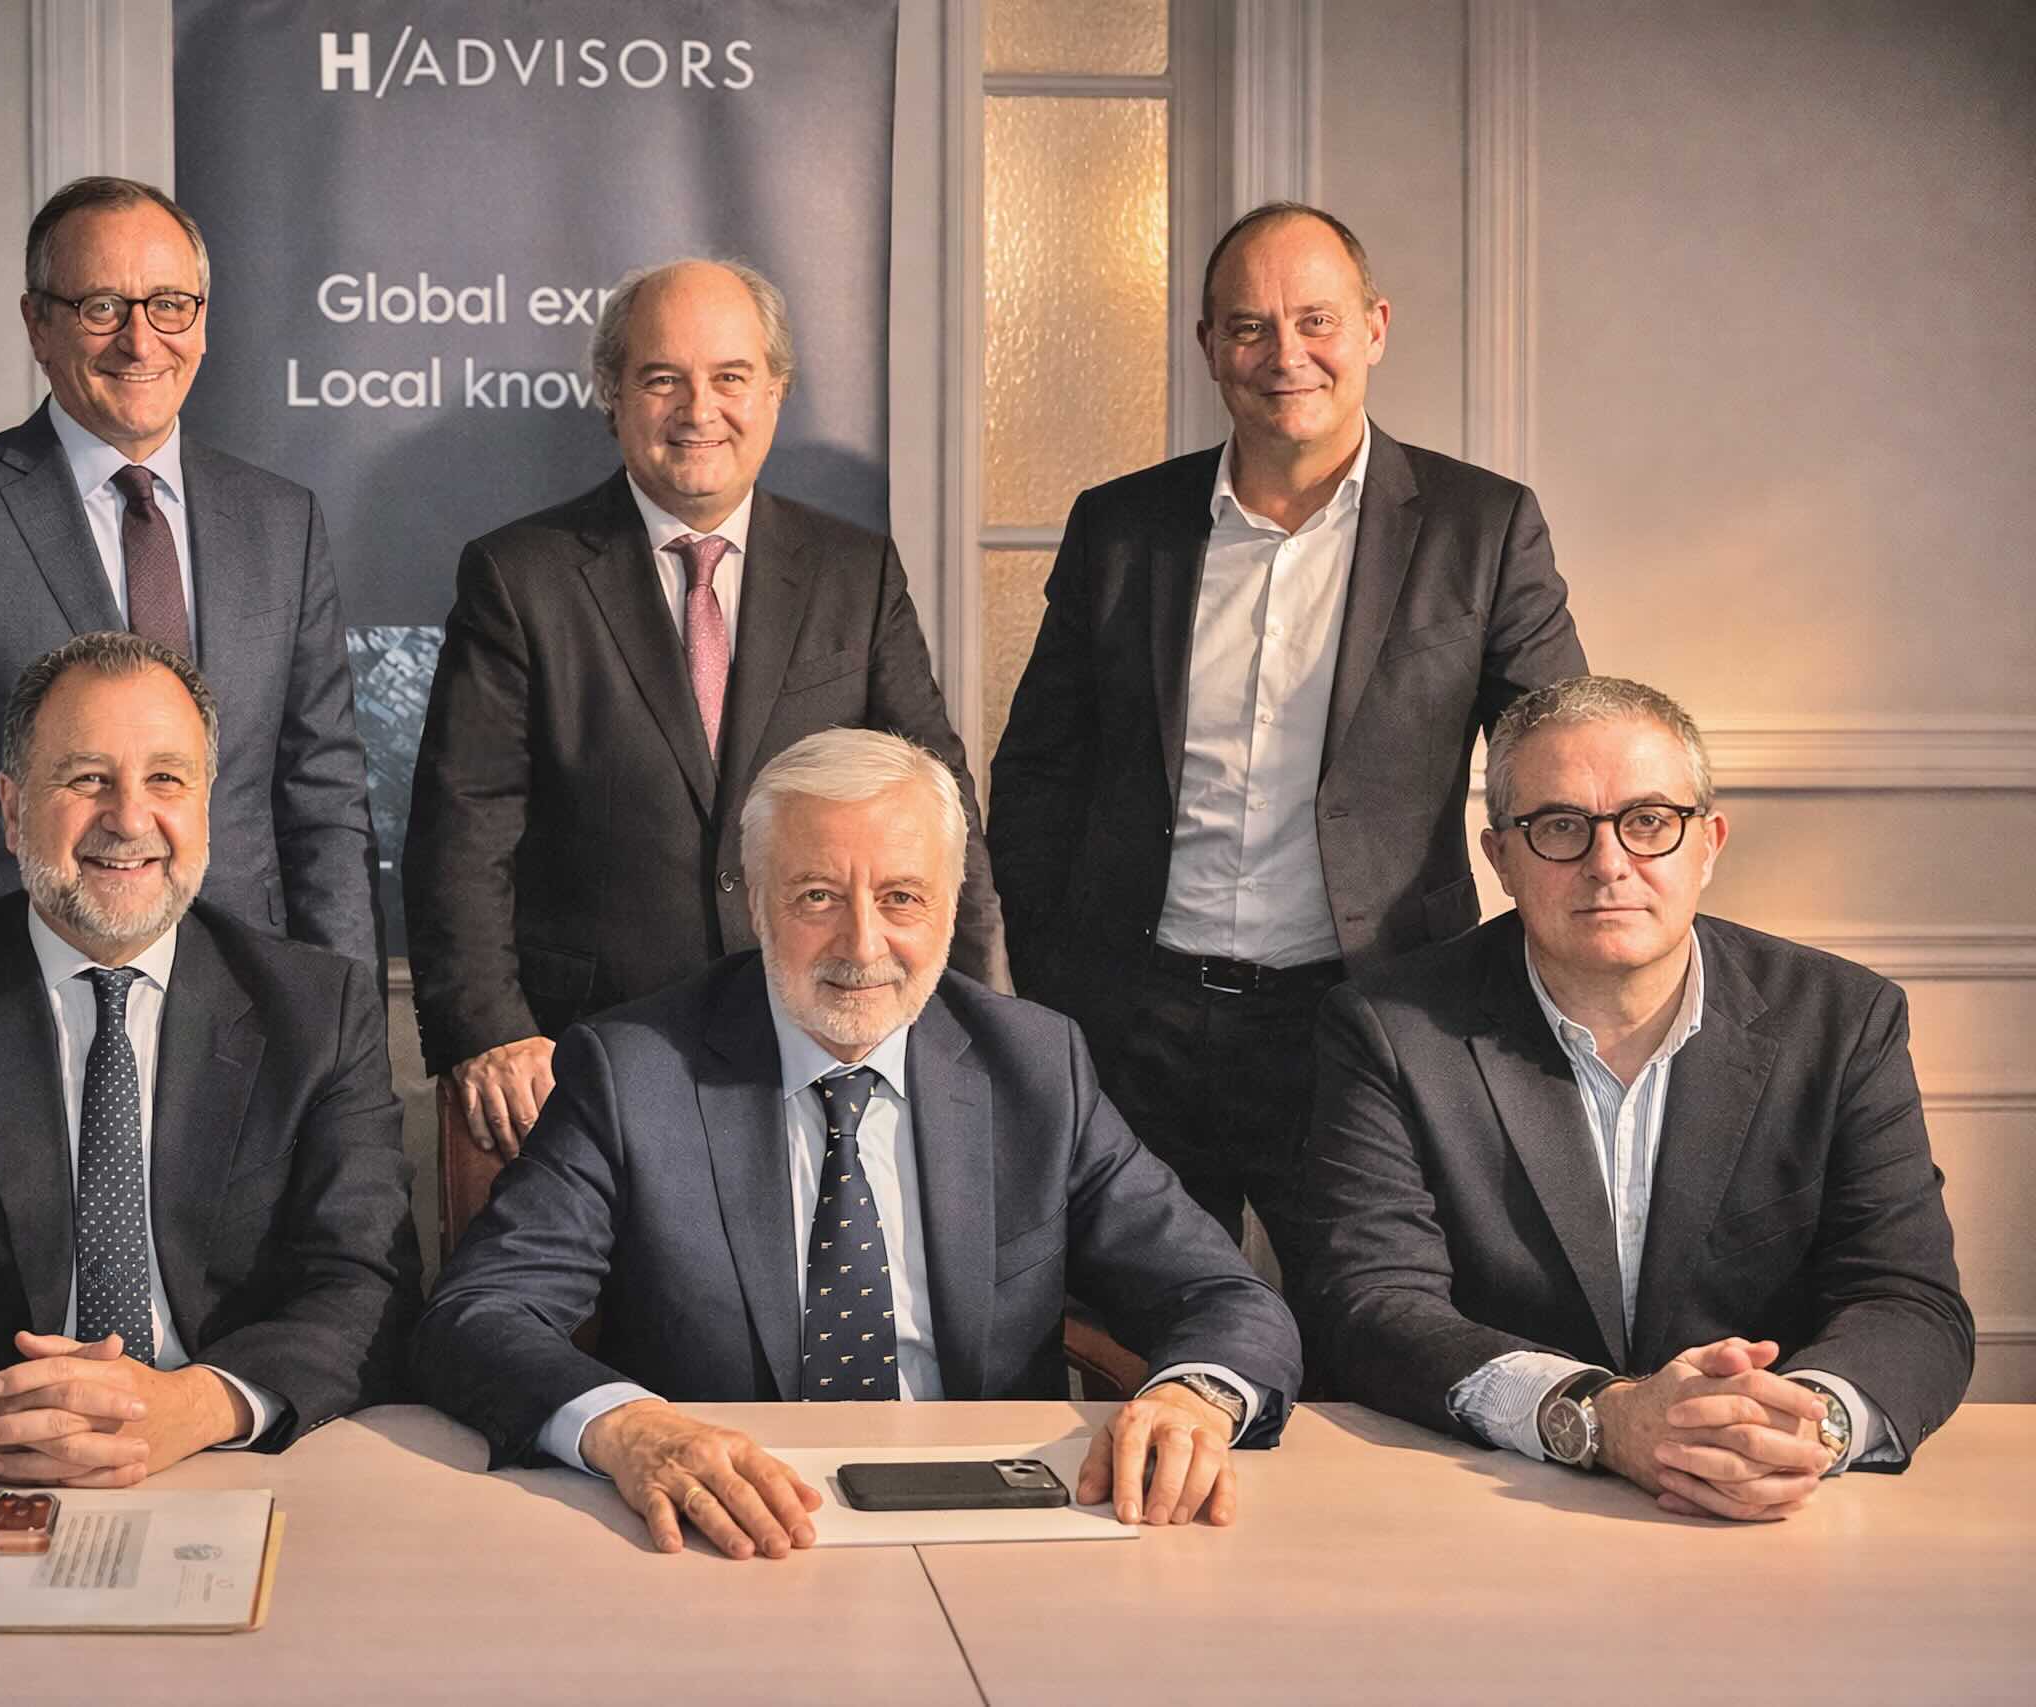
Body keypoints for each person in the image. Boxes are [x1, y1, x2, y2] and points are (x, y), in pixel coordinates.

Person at [414, 729, 1300, 1558]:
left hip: (993, 1532)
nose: (862, 943)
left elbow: (1226, 1295)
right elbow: (480, 1313)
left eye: (901, 896)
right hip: (729, 1538)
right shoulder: (633, 1072)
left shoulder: (1034, 1069)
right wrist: (626, 1426)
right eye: (817, 896)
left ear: (951, 906)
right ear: (757, 902)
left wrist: (1193, 1396)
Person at [985, 202, 1585, 1302]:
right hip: (1136, 1023)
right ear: (1209, 346)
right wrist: (1054, 975)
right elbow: (1038, 772)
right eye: (1249, 326)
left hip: (1369, 1017)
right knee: (1145, 1333)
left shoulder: (1481, 527)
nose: (1284, 354)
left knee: (1376, 1328)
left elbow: (1559, 759)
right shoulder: (1121, 527)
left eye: (1315, 320)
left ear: (1374, 327)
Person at [0, 633, 419, 1481]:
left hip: (236, 1466)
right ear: (12, 808)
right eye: (87, 778)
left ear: (208, 806)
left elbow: (369, 1287)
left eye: (166, 779)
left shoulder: (319, 1013)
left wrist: (194, 1405)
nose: (129, 819)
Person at [1296, 676, 1971, 1520]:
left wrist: (1802, 1426)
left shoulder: (1842, 1021)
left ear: (1708, 844)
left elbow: (1909, 1300)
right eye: (1560, 826)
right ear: (1501, 858)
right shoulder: (1390, 1030)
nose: (1609, 863)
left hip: (1775, 1525)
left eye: (1649, 821)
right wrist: (1598, 1418)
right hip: (1480, 1512)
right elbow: (1372, 1305)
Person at [404, 258, 1004, 1157]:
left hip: (825, 1040)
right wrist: (489, 1030)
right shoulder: (518, 579)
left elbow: (940, 804)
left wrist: (984, 1020)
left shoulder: (856, 572)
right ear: (611, 395)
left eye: (730, 376)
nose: (699, 409)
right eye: (662, 379)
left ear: (776, 391)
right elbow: (463, 828)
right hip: (593, 1060)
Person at [0, 175, 376, 1016]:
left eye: (170, 305)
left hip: (244, 1023)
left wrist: (345, 1032)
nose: (140, 340)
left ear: (202, 323)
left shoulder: (281, 521)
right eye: (101, 307)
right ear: (37, 324)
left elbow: (324, 803)